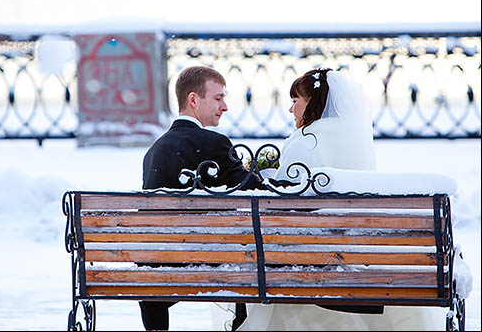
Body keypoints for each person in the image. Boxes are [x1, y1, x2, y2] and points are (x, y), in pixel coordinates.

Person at [212, 67, 447, 331]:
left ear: (312, 103)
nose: (291, 110)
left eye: (295, 102)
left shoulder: (306, 141)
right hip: (357, 255)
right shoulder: (352, 137)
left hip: (308, 260)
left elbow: (282, 210)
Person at [140, 65, 265, 331]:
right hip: (206, 258)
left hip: (155, 262)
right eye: (218, 98)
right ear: (194, 100)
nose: (225, 106)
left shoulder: (154, 150)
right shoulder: (214, 143)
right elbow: (256, 192)